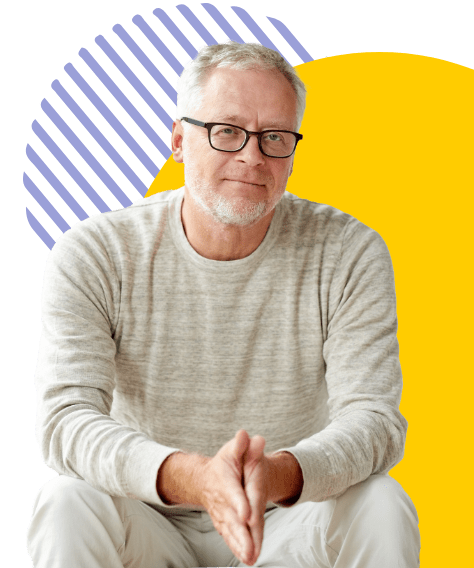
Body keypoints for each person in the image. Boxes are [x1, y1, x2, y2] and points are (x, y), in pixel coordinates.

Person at [26, 41, 420, 568]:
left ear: (292, 152)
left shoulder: (348, 251)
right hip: (147, 521)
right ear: (178, 141)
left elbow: (374, 421)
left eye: (274, 137)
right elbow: (66, 421)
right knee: (65, 501)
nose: (252, 156)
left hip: (286, 520)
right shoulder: (96, 252)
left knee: (382, 503)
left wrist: (276, 475)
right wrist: (195, 477)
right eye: (227, 131)